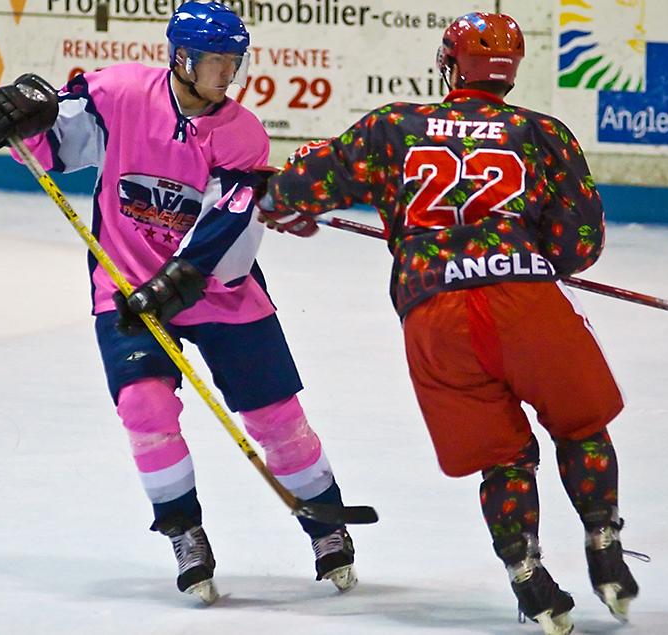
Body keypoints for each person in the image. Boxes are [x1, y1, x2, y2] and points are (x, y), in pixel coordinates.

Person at [256, 12, 641, 635]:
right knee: (580, 424)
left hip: (436, 314)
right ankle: (605, 547)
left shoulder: (394, 127)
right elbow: (579, 245)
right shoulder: (542, 133)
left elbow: (302, 183)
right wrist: (529, 250)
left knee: (504, 457)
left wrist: (279, 203)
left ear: (448, 63)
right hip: (526, 301)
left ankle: (529, 579)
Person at [0, 0, 358, 604]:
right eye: (216, 63)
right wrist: (21, 110)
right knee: (145, 410)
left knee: (276, 418)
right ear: (182, 57)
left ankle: (327, 525)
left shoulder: (241, 132)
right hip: (123, 282)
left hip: (216, 288)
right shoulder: (119, 92)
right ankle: (184, 530)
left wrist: (178, 278)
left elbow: (227, 219)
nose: (226, 75)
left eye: (235, 63)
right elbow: (56, 142)